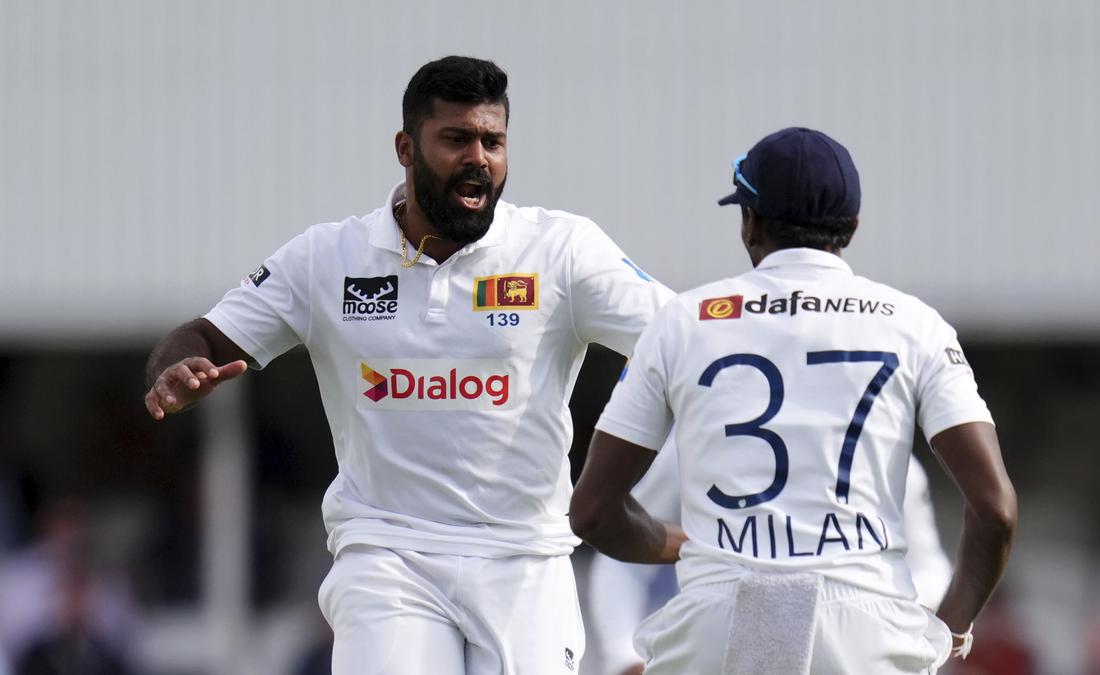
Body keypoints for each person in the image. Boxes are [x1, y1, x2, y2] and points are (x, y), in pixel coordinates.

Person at [143, 56, 673, 675]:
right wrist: (177, 370)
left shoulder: (561, 250)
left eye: (493, 141)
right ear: (405, 148)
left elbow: (681, 340)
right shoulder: (327, 257)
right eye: (456, 139)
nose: (478, 158)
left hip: (526, 556)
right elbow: (203, 336)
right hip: (387, 552)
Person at [571, 127, 1017, 674]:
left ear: (750, 222)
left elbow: (593, 513)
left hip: (718, 622)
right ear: (853, 225)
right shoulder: (917, 326)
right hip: (864, 631)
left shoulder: (681, 321)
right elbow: (996, 509)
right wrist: (953, 629)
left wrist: (681, 545)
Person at [585, 441, 954, 675]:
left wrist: (876, 616)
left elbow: (931, 569)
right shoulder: (690, 444)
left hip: (847, 655)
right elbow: (619, 555)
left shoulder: (888, 455)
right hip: (705, 649)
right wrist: (623, 657)